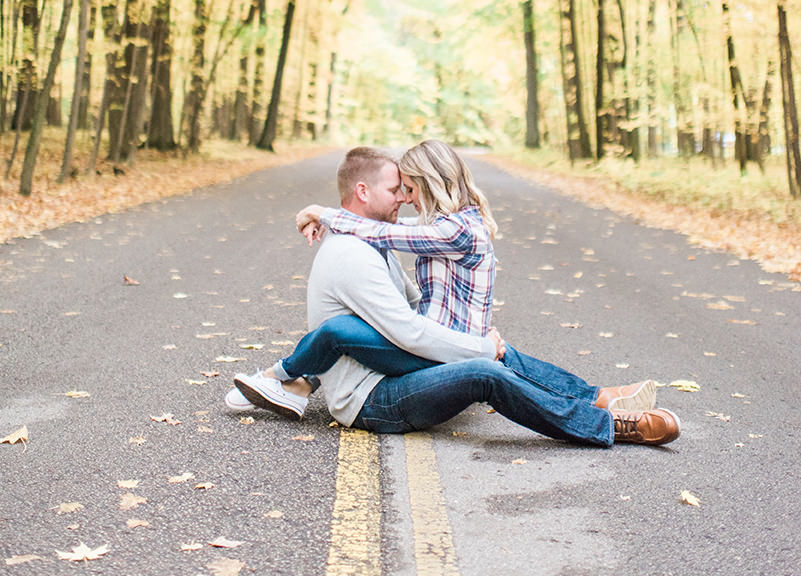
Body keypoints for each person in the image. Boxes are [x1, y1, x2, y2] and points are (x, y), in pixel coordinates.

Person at [231, 145, 680, 446]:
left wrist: (479, 341)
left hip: (389, 371)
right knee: (485, 371)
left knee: (492, 353)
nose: (405, 200)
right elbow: (408, 329)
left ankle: (593, 395)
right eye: (396, 190)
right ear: (363, 192)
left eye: (409, 189)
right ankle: (607, 425)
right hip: (373, 399)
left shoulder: (377, 240)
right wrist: (478, 347)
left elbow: (407, 302)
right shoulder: (351, 253)